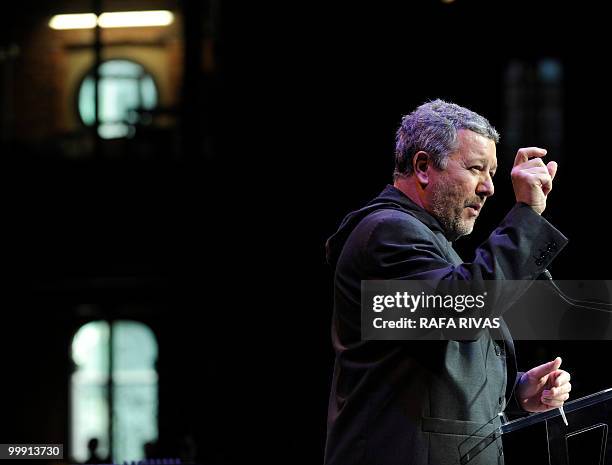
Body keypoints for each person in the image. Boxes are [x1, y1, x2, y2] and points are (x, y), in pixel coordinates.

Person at [324, 100, 572, 465]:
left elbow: (430, 356)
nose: (489, 188)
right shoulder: (387, 232)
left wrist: (515, 392)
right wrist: (528, 216)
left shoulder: (433, 247)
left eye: (492, 173)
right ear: (423, 167)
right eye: (476, 169)